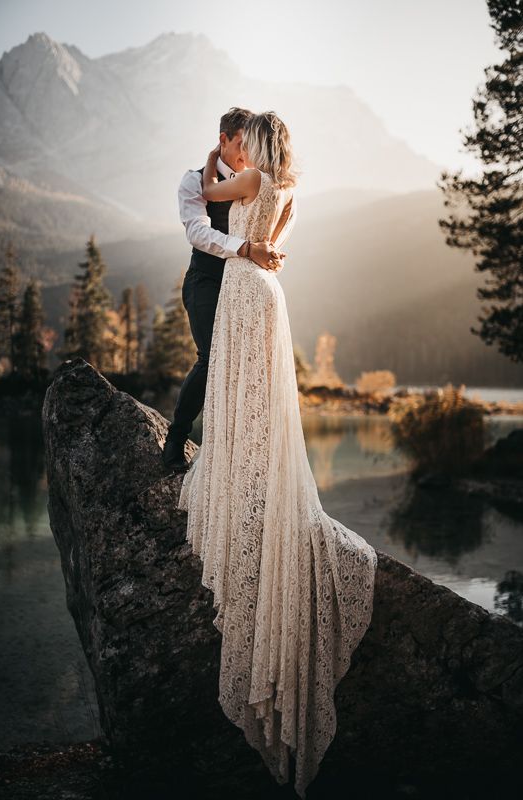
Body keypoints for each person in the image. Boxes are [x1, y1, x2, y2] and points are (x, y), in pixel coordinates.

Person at [177, 110, 378, 799]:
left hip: (239, 289)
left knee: (238, 391)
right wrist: (256, 239)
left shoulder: (250, 175)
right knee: (260, 391)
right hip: (270, 290)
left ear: (255, 144)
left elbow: (206, 197)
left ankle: (238, 467)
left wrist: (213, 161)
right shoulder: (288, 187)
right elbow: (275, 244)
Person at [163, 107, 293, 471]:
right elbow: (197, 233)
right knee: (211, 358)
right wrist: (248, 249)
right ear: (224, 140)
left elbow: (282, 219)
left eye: (251, 145)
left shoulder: (253, 179)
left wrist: (270, 250)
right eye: (241, 144)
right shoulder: (193, 181)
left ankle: (235, 457)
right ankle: (176, 439)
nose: (246, 152)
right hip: (205, 281)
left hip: (244, 287)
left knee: (245, 370)